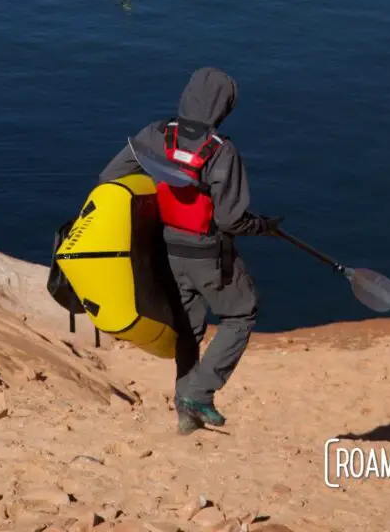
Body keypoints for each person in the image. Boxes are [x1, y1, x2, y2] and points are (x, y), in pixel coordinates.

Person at [98, 67, 284, 434]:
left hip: (167, 250)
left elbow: (110, 177)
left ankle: (186, 411)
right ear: (222, 108)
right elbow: (231, 220)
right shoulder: (221, 152)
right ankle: (199, 393)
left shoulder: (154, 135)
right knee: (242, 313)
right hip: (208, 256)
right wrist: (262, 226)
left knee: (188, 328)